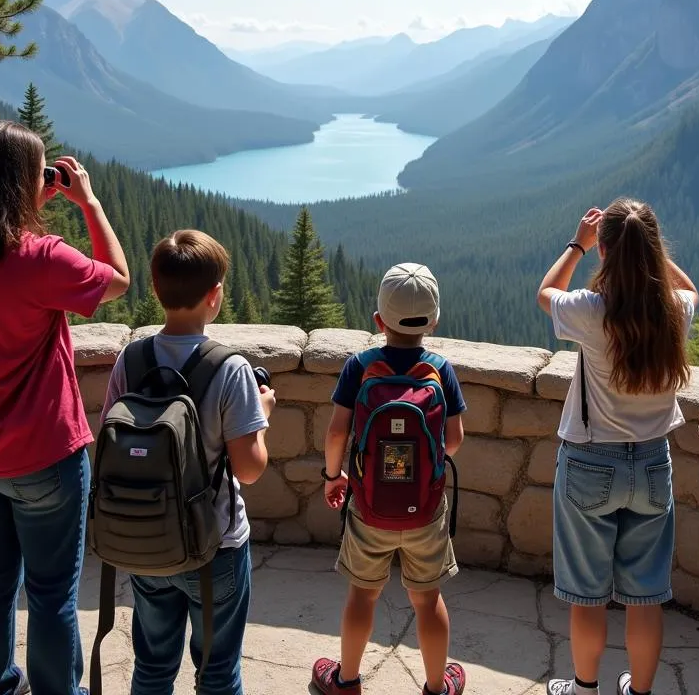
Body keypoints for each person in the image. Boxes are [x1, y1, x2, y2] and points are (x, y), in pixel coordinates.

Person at [0, 120, 131, 695]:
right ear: (26, 183)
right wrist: (87, 201)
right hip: (43, 455)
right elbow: (118, 279)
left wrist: (17, 206)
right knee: (50, 593)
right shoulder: (42, 257)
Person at [101, 230, 275, 695]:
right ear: (215, 296)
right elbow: (249, 469)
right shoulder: (229, 368)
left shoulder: (131, 359)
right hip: (215, 547)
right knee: (217, 671)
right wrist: (263, 417)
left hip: (146, 541)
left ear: (155, 289)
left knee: (153, 665)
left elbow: (109, 440)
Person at [537, 199, 698, 695]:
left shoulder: (591, 312)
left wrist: (577, 245)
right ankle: (641, 691)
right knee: (645, 598)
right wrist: (645, 249)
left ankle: (585, 689)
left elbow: (547, 292)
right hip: (652, 462)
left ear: (604, 252)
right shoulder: (675, 311)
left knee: (586, 597)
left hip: (589, 460)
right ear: (651, 251)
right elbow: (689, 287)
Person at [312, 263, 468, 695]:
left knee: (362, 594)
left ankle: (346, 680)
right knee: (427, 598)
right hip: (425, 508)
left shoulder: (359, 366)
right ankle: (437, 686)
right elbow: (453, 440)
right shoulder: (441, 369)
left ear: (378, 320)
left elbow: (338, 432)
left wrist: (333, 476)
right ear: (433, 321)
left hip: (367, 505)